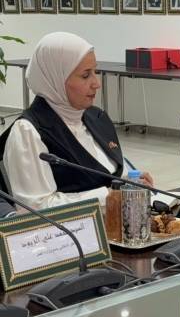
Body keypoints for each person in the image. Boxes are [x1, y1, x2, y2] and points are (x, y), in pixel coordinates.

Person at [0, 32, 153, 209]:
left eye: (95, 72)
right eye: (85, 75)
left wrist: (129, 182)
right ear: (56, 78)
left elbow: (109, 174)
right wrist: (108, 196)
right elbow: (36, 207)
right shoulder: (28, 132)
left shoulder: (96, 117)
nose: (96, 83)